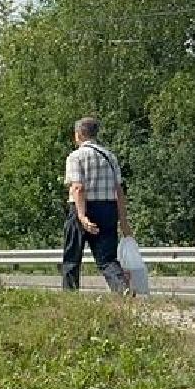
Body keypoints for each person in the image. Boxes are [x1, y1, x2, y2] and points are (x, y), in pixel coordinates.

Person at [62, 117, 133, 294]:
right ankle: (121, 288)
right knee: (107, 258)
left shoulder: (75, 157)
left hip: (82, 207)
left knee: (72, 257)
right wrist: (123, 220)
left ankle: (70, 296)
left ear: (78, 134)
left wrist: (82, 215)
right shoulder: (109, 156)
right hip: (108, 208)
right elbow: (118, 190)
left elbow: (78, 187)